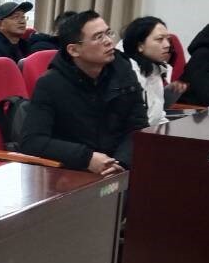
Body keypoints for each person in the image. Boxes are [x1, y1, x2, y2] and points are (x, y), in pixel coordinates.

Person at [19, 11, 148, 173]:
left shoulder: (123, 69)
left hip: (118, 166)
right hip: (72, 171)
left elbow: (138, 126)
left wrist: (121, 162)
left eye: (108, 33)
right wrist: (86, 158)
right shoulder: (51, 83)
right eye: (98, 37)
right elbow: (32, 141)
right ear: (74, 50)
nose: (109, 41)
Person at [121, 16, 187, 126]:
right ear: (140, 46)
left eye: (168, 39)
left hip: (149, 133)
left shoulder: (155, 69)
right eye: (160, 39)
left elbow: (159, 117)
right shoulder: (128, 74)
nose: (167, 45)